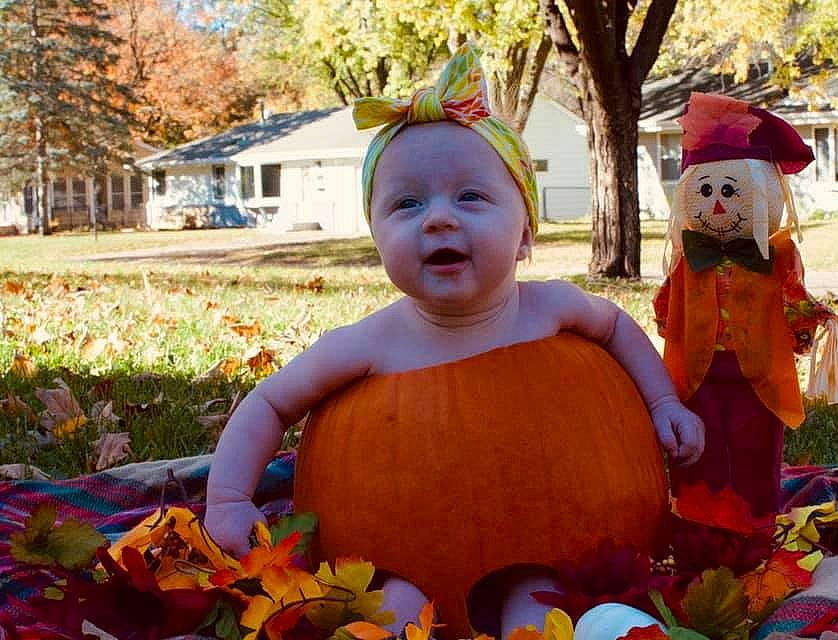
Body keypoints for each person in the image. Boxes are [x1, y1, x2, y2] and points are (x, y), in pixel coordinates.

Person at [205, 45, 704, 639]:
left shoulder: (552, 308)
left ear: (524, 236)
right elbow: (269, 403)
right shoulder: (370, 343)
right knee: (393, 607)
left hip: (545, 543)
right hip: (397, 551)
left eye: (470, 197)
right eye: (406, 204)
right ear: (378, 238)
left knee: (537, 605)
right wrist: (231, 497)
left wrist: (662, 404)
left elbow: (619, 326)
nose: (438, 219)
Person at [653, 92, 838, 535]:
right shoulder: (688, 257)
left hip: (757, 371)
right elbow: (669, 303)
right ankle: (697, 512)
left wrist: (807, 324)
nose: (718, 202)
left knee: (754, 440)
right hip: (698, 372)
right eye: (705, 191)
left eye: (730, 191)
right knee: (700, 441)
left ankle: (753, 516)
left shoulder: (777, 255)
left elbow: (791, 297)